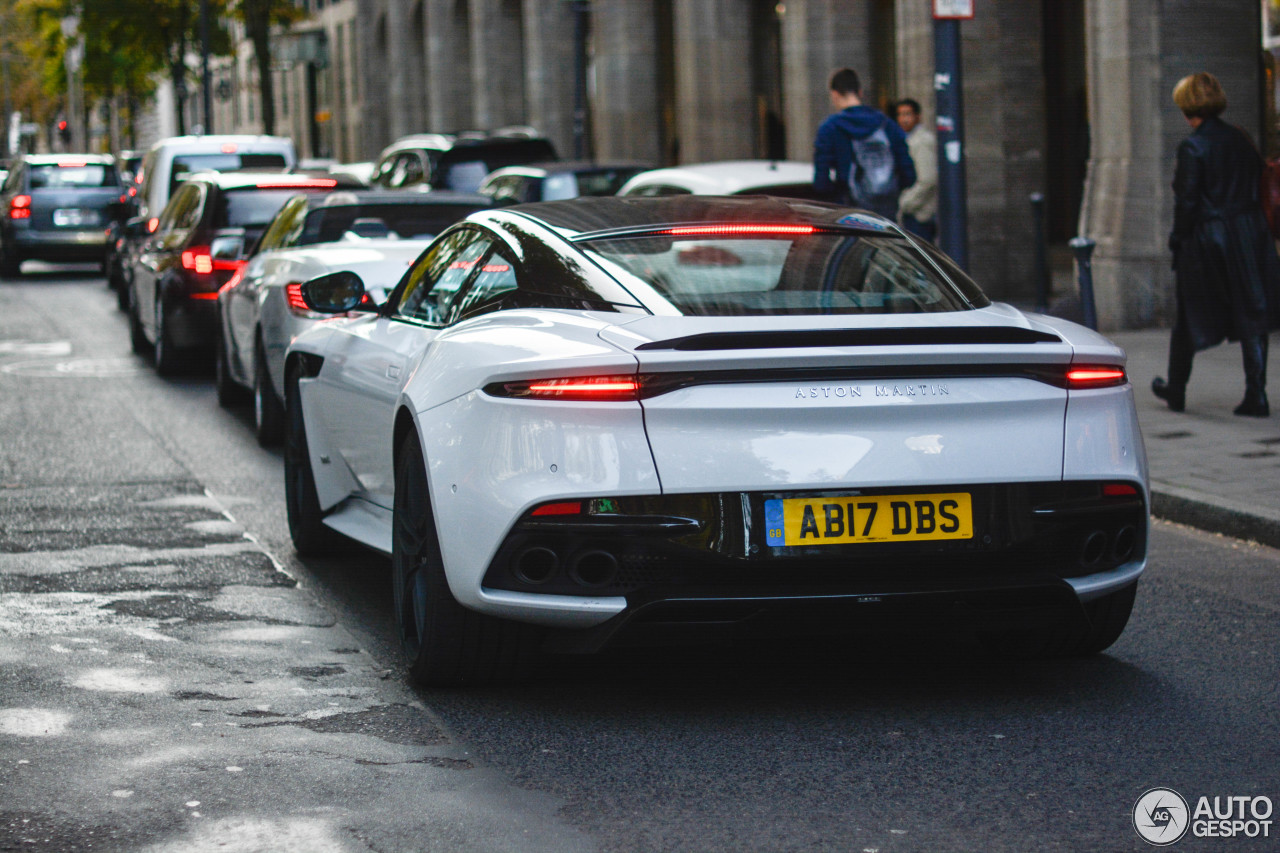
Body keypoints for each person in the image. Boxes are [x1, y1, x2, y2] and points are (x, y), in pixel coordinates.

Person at [1152, 72, 1280, 417]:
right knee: (1253, 311)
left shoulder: (1193, 146)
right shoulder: (1239, 138)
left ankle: (1176, 388)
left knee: (1190, 312)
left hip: (1211, 238)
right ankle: (1257, 394)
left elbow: (1188, 202)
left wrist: (1178, 239)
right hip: (1250, 233)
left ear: (1185, 106)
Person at [813, 68, 915, 220]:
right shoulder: (887, 125)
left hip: (849, 212)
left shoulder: (829, 128)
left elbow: (821, 182)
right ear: (860, 92)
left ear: (834, 94)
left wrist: (838, 196)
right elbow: (909, 175)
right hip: (885, 215)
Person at [894, 98, 937, 241]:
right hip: (913, 213)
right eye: (900, 115)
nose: (903, 119)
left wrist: (905, 203)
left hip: (919, 214)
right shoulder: (906, 139)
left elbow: (928, 179)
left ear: (917, 116)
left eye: (907, 114)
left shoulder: (922, 141)